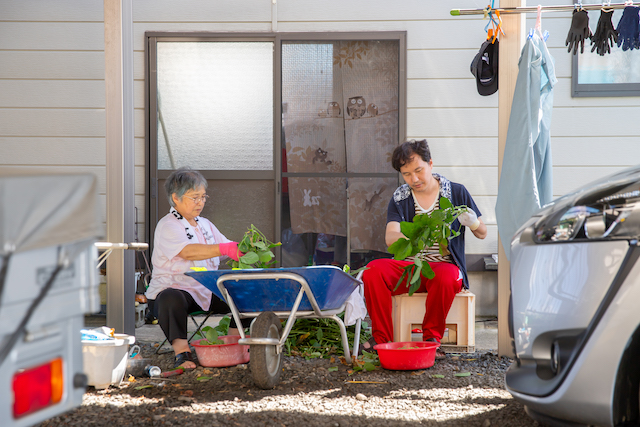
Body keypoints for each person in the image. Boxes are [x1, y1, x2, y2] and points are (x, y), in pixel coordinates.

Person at [361, 139, 487, 358]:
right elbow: (391, 236)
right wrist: (413, 239)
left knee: (447, 276)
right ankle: (381, 339)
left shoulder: (456, 192)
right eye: (407, 174)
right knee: (373, 270)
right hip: (412, 267)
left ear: (430, 164)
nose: (414, 179)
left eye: (418, 170)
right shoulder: (401, 197)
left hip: (444, 269)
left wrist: (472, 222)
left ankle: (431, 338)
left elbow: (482, 232)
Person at [146, 167, 248, 369]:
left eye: (203, 197)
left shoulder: (205, 224)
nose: (200, 202)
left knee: (246, 293)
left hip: (206, 289)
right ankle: (182, 354)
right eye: (195, 197)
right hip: (177, 291)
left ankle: (234, 345)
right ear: (176, 198)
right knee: (170, 297)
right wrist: (224, 249)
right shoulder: (168, 225)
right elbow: (188, 252)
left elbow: (225, 245)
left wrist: (245, 249)